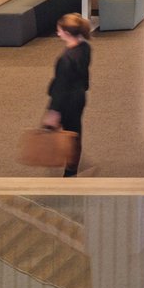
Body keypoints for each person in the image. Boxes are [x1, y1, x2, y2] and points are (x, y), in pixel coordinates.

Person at [44, 13, 93, 178]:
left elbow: (61, 88)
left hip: (67, 101)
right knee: (74, 132)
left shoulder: (65, 59)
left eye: (59, 30)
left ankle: (70, 173)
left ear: (67, 32)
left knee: (67, 136)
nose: (58, 33)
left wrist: (53, 112)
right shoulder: (85, 47)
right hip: (79, 97)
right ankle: (71, 170)